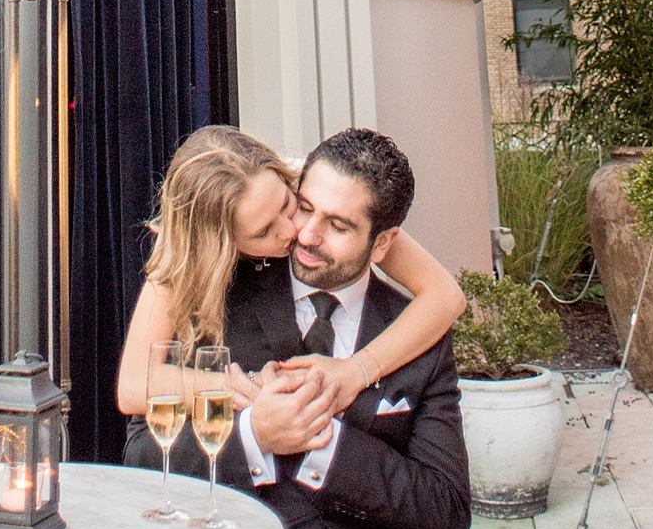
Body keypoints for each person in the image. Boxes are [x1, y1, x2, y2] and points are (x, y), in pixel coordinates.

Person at [124, 127, 545, 529]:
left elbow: (445, 513)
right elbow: (144, 462)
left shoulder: (415, 333)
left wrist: (329, 445)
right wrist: (255, 440)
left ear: (383, 243)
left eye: (338, 224)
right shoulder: (215, 299)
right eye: (303, 210)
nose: (305, 234)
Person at [116, 124, 466, 422]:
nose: (294, 231)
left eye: (289, 204)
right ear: (222, 248)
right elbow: (133, 386)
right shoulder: (188, 247)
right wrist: (238, 389)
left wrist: (356, 370)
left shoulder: (319, 193)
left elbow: (445, 296)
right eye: (264, 232)